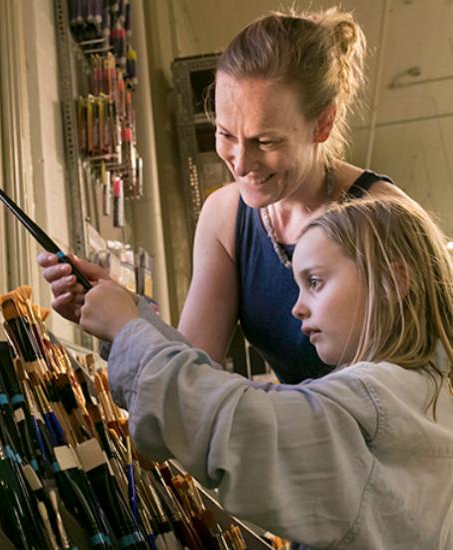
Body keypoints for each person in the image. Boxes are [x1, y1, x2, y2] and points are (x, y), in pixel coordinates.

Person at [38, 8, 412, 384]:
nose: (242, 163)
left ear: (323, 123)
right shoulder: (224, 215)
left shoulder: (386, 217)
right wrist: (124, 314)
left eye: (265, 141)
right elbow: (193, 370)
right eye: (225, 135)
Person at [76, 199, 453, 550]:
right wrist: (132, 316)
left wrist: (126, 330)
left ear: (391, 283)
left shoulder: (371, 404)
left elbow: (234, 422)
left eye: (315, 282)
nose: (298, 308)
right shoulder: (426, 393)